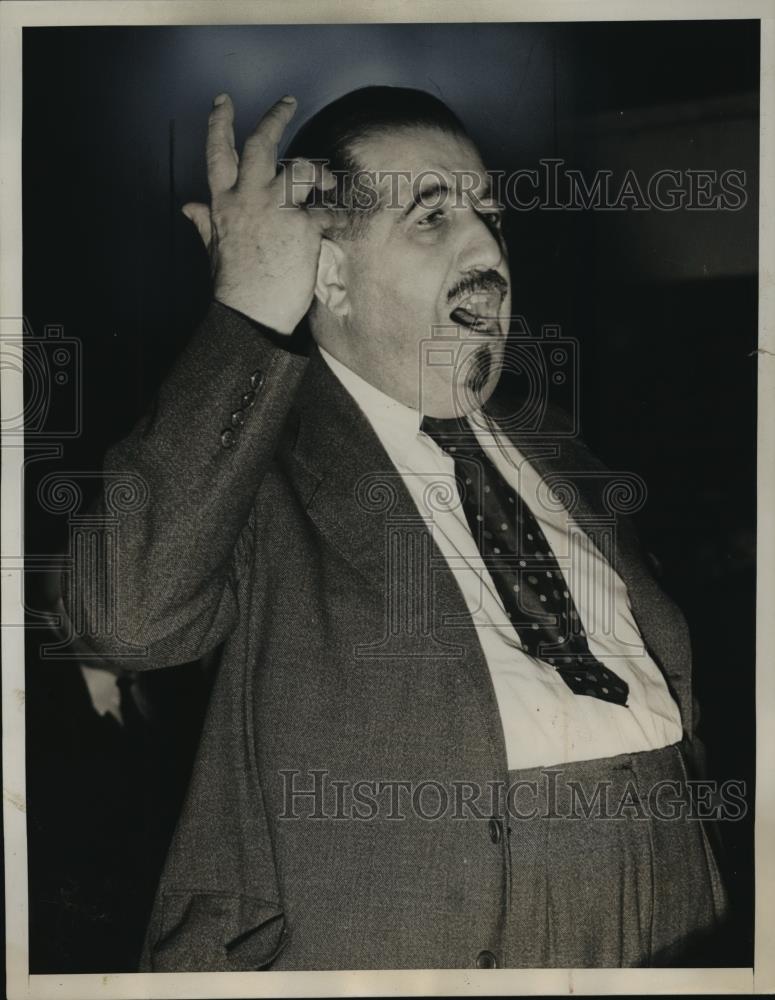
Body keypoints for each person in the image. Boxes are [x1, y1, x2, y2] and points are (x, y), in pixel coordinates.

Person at [61, 86, 727, 971]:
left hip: (677, 911)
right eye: (432, 217)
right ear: (328, 273)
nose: (488, 245)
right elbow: (123, 620)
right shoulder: (250, 460)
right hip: (420, 935)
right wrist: (250, 311)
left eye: (489, 215)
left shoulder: (560, 448)